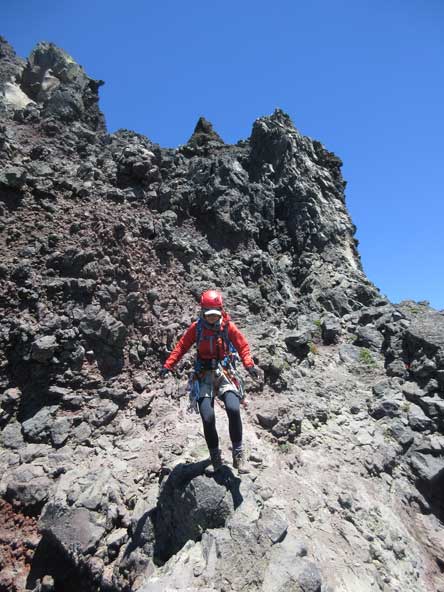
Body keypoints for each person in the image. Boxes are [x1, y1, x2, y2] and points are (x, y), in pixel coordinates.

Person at [160, 289, 260, 473]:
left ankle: (238, 454)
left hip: (224, 372)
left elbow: (242, 346)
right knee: (208, 417)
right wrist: (168, 365)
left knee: (233, 408)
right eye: (208, 314)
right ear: (202, 311)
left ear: (221, 310)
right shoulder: (197, 328)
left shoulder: (228, 327)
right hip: (203, 374)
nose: (212, 318)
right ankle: (215, 457)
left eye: (215, 314)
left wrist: (249, 365)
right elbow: (182, 346)